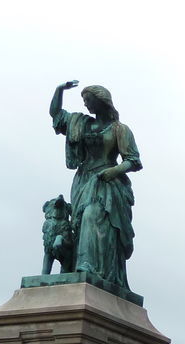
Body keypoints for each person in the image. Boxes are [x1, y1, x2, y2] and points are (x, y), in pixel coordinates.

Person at [48, 80, 142, 290]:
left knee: (93, 216)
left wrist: (113, 171)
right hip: (83, 180)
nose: (86, 105)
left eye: (89, 100)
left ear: (102, 101)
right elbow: (56, 115)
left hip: (108, 182)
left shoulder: (120, 130)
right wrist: (59, 90)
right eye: (84, 101)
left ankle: (91, 268)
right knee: (80, 225)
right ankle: (80, 267)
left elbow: (133, 161)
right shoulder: (81, 123)